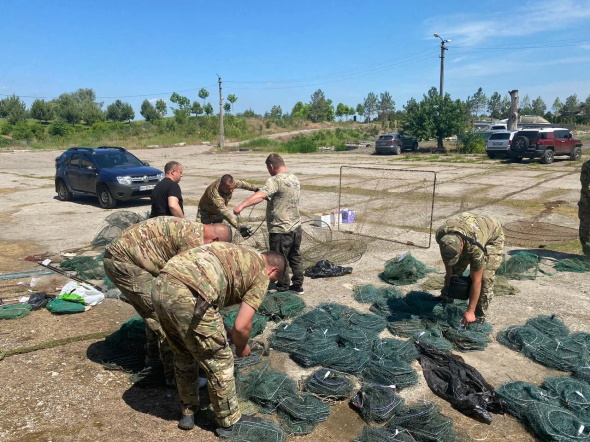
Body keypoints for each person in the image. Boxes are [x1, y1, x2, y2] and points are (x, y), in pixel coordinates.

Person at [151, 242, 286, 433]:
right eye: (274, 279)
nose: (270, 283)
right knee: (221, 360)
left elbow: (209, 302)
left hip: (160, 287)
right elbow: (242, 325)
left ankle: (188, 412)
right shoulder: (260, 273)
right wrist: (241, 347)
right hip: (188, 295)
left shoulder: (236, 252)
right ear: (273, 269)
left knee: (183, 353)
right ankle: (229, 422)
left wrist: (224, 329)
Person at [103, 216, 232, 383]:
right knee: (164, 317)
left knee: (156, 311)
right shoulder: (192, 242)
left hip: (137, 260)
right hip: (123, 263)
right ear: (214, 239)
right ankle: (174, 378)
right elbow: (190, 286)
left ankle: (154, 360)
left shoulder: (197, 230)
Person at [233, 153, 304, 294]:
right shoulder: (294, 178)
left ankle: (283, 287)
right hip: (296, 227)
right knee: (295, 255)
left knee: (279, 258)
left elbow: (261, 195)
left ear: (271, 166)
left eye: (268, 168)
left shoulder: (275, 180)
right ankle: (298, 285)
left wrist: (241, 205)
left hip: (280, 229)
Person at [435, 212, 504, 325]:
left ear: (461, 246)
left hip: (492, 235)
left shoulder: (475, 249)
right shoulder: (441, 235)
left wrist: (470, 311)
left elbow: (476, 281)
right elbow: (449, 267)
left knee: (485, 278)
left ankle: (479, 314)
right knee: (455, 271)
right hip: (469, 224)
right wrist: (449, 281)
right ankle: (446, 298)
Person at [579, 159, 590, 256]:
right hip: (587, 205)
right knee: (586, 229)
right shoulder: (588, 165)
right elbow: (587, 186)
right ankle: (587, 255)